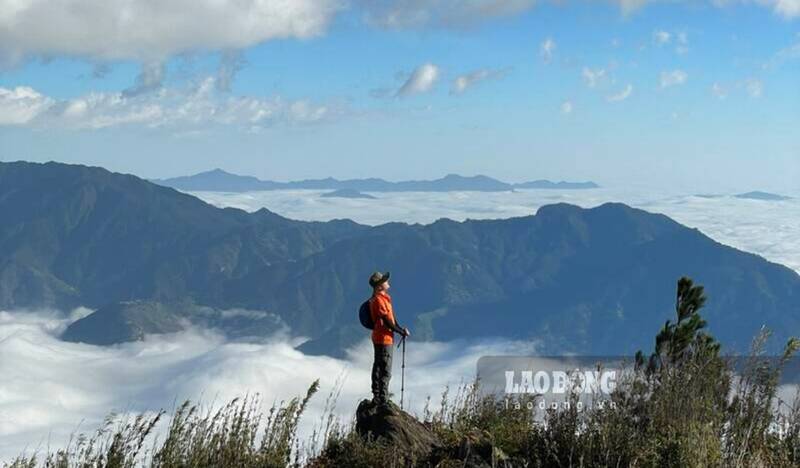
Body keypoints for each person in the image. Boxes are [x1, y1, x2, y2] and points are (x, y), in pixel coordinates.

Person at [368, 271, 410, 406]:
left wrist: (399, 329)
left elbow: (391, 318)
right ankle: (382, 398)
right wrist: (400, 331)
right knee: (384, 368)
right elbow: (387, 322)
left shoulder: (383, 298)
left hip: (383, 337)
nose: (388, 283)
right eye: (385, 281)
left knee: (379, 365)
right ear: (380, 286)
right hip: (383, 338)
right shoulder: (379, 301)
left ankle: (379, 395)